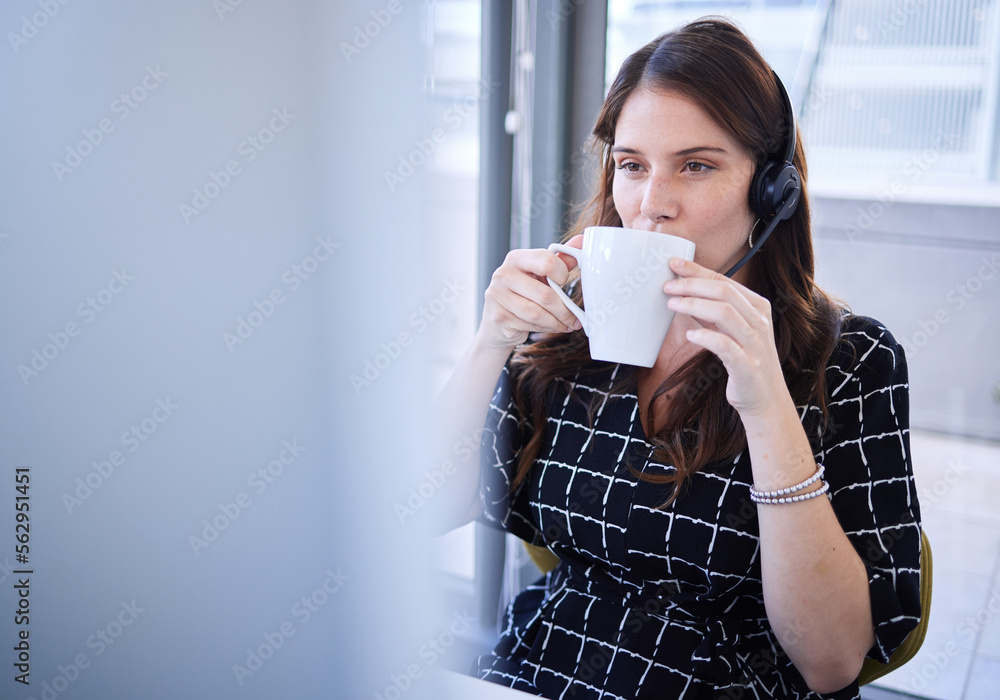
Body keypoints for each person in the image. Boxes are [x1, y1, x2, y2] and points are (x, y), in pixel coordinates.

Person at [437, 17, 922, 700]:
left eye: (696, 165)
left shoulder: (850, 358)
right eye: (632, 165)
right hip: (536, 674)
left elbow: (832, 662)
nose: (650, 205)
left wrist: (766, 405)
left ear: (770, 190)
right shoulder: (576, 327)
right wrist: (491, 341)